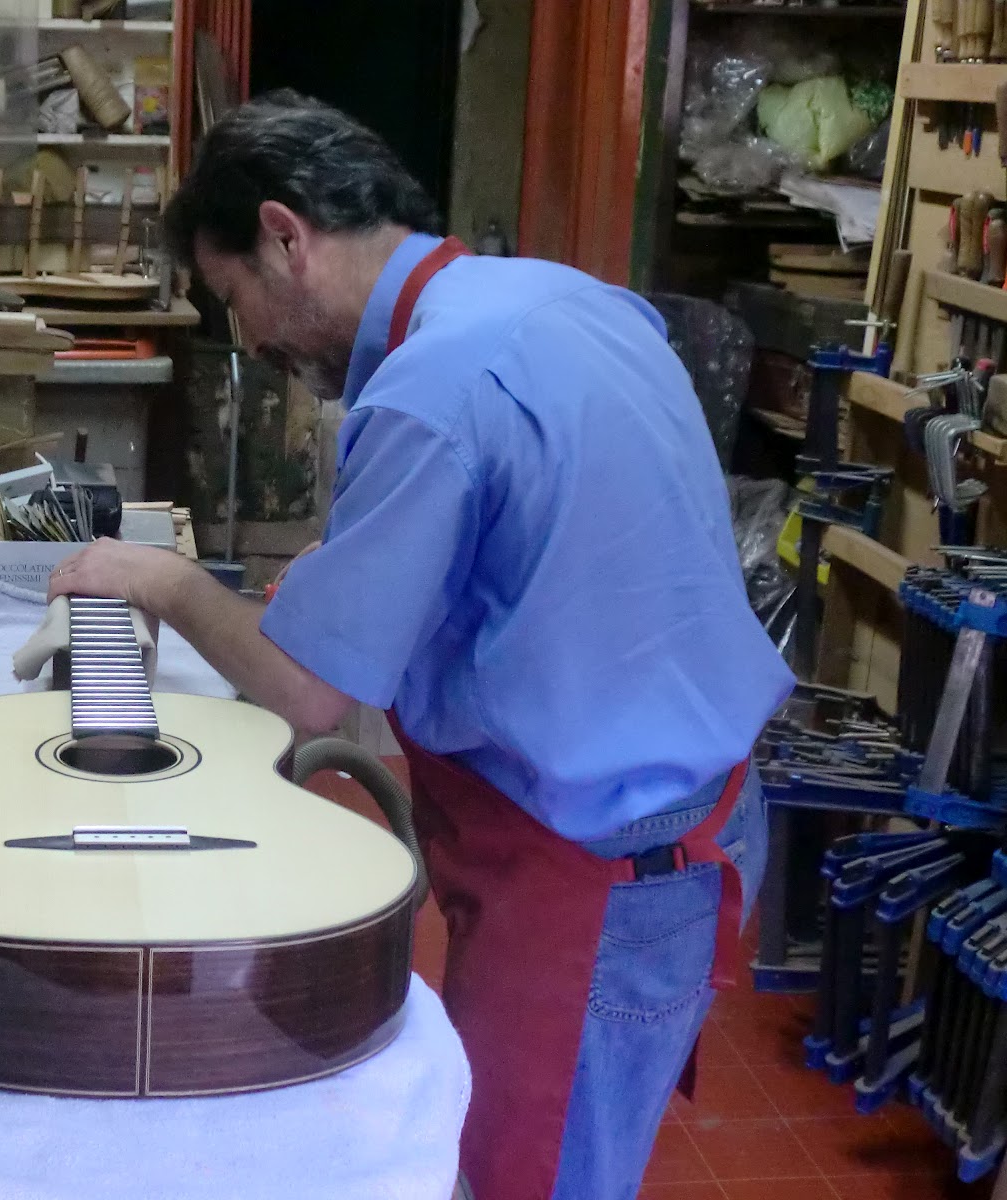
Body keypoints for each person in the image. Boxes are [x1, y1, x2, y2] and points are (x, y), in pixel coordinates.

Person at [47, 91, 795, 1200]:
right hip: (690, 817)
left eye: (231, 293)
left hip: (598, 874)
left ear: (285, 237)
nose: (244, 333)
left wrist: (158, 581)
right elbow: (563, 544)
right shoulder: (567, 299)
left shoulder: (428, 389)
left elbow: (305, 695)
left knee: (524, 1182)